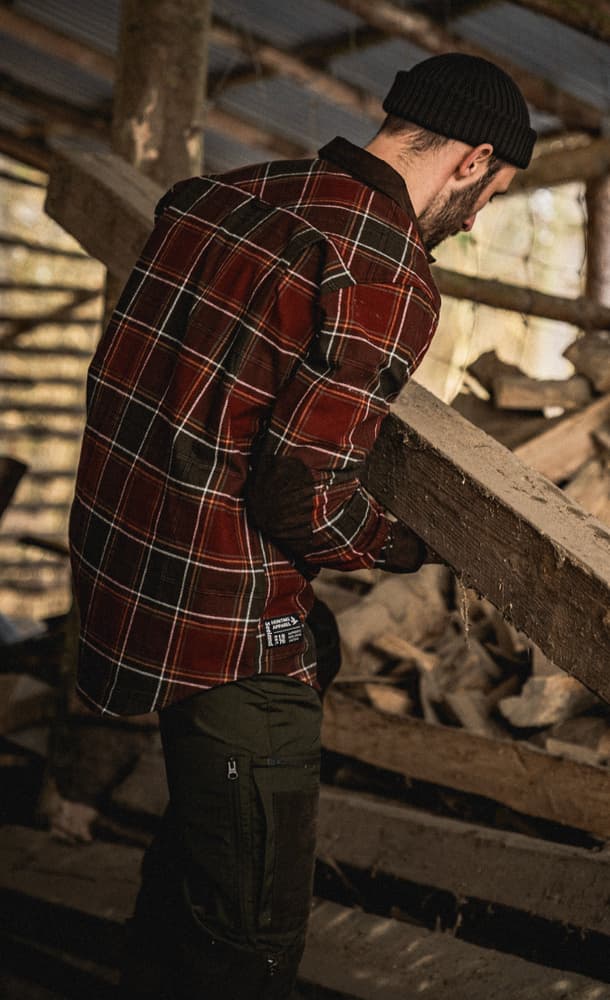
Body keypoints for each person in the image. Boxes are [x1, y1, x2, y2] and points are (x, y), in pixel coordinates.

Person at [69, 52, 535, 999]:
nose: (477, 218)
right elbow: (303, 500)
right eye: (490, 193)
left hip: (126, 580)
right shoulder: (382, 272)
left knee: (199, 860)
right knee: (252, 939)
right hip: (229, 627)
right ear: (473, 160)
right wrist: (406, 544)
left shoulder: (218, 196)